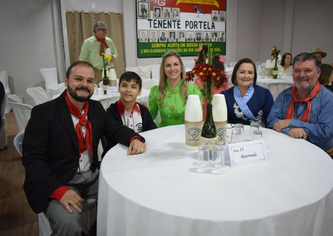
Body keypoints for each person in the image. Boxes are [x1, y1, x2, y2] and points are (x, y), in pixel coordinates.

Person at [22, 61, 146, 235]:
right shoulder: (43, 113)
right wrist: (58, 190)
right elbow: (32, 159)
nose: (84, 85)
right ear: (66, 81)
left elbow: (114, 128)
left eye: (89, 81)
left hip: (93, 176)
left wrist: (134, 138)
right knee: (69, 223)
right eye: (78, 79)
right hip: (59, 180)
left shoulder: (95, 108)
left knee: (131, 196)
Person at [266, 52, 333, 163]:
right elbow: (271, 121)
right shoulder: (285, 95)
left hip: (319, 155)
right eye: (297, 71)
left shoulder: (328, 100)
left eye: (307, 71)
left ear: (318, 73)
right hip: (285, 150)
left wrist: (291, 122)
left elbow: (325, 133)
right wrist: (290, 130)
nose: (301, 75)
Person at [104, 71, 156, 154]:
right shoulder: (110, 113)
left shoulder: (144, 111)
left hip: (142, 152)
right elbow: (112, 139)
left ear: (139, 92)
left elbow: (152, 133)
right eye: (124, 86)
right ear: (118, 88)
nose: (128, 90)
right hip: (119, 155)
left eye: (133, 87)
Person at [148, 51, 202, 127]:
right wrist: (143, 109)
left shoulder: (193, 90)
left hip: (187, 135)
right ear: (163, 69)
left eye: (176, 64)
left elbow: (199, 117)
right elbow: (150, 118)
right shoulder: (156, 91)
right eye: (168, 65)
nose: (172, 68)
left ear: (181, 67)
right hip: (164, 134)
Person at [221, 58, 274, 126]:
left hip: (257, 134)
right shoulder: (225, 95)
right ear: (235, 74)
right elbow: (219, 121)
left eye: (250, 73)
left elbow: (270, 122)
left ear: (254, 76)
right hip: (233, 133)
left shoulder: (264, 94)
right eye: (242, 72)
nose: (246, 76)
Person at [195, 45, 229, 118]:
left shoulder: (202, 79)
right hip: (219, 109)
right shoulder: (224, 79)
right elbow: (227, 94)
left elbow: (196, 90)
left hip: (204, 108)